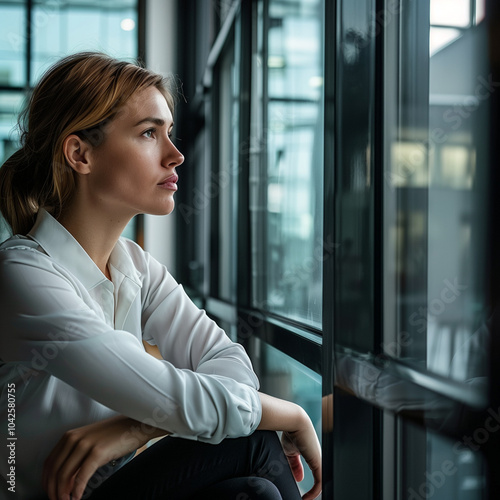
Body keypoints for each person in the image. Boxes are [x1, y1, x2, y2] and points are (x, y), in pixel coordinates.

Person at [0, 52, 321, 500]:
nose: (176, 154)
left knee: (253, 492)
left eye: (168, 132)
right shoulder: (21, 274)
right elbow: (173, 398)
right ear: (80, 154)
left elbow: (234, 370)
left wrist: (133, 428)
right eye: (149, 133)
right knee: (254, 440)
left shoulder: (136, 266)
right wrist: (293, 415)